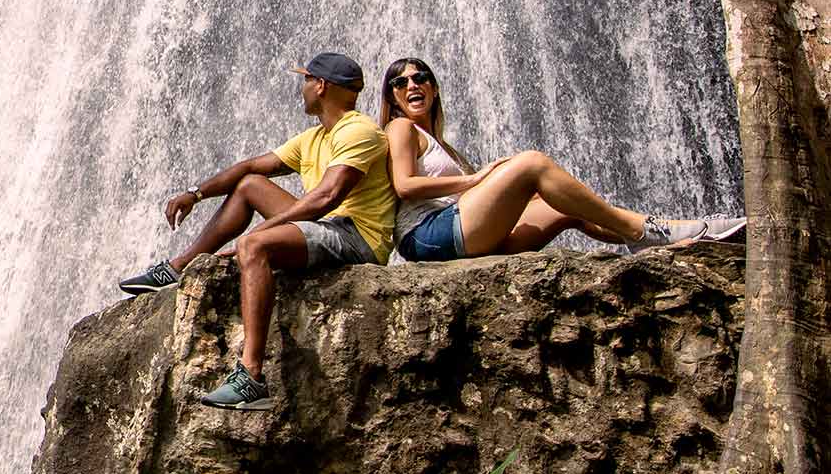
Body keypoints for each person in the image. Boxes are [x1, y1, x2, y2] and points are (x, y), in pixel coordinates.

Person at [116, 52, 399, 411]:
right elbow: (251, 167)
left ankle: (251, 376)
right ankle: (176, 267)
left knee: (253, 246)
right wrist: (195, 193)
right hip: (324, 225)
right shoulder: (315, 137)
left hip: (355, 237)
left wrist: (261, 232)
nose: (303, 89)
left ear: (321, 86)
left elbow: (326, 198)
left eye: (306, 80)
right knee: (250, 184)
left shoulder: (358, 130)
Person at [377, 56, 746, 262]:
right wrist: (476, 180)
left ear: (434, 87)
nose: (412, 84)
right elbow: (405, 185)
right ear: (392, 98)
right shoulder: (400, 129)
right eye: (401, 82)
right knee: (532, 163)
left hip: (456, 235)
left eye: (420, 76)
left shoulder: (440, 143)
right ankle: (643, 230)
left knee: (564, 206)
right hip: (427, 237)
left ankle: (672, 234)